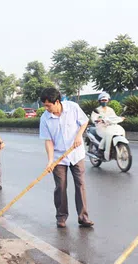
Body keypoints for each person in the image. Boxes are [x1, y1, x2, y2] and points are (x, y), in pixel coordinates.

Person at [39, 87, 94, 228]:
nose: (46, 108)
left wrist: (78, 136)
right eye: (44, 105)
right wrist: (50, 161)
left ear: (57, 102)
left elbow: (84, 122)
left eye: (48, 105)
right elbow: (48, 141)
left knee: (80, 184)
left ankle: (83, 217)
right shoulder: (45, 118)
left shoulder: (73, 107)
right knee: (60, 187)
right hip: (59, 156)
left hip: (76, 154)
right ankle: (61, 217)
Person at [90, 92, 122, 160]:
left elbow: (114, 117)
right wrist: (97, 120)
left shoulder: (110, 110)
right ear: (100, 101)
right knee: (106, 135)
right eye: (102, 100)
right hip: (100, 128)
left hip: (110, 127)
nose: (104, 101)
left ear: (108, 101)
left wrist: (120, 118)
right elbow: (93, 118)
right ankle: (100, 150)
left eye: (105, 100)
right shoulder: (97, 110)